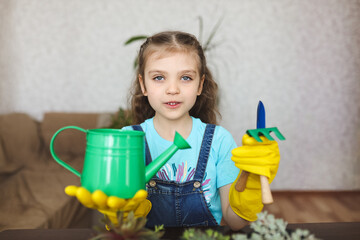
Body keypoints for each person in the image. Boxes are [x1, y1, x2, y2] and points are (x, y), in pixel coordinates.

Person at [66, 31, 280, 231]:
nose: (172, 89)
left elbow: (235, 222)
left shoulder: (219, 140)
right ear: (143, 85)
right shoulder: (127, 139)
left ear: (199, 85)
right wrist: (118, 215)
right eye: (159, 77)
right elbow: (120, 228)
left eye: (185, 77)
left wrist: (250, 189)